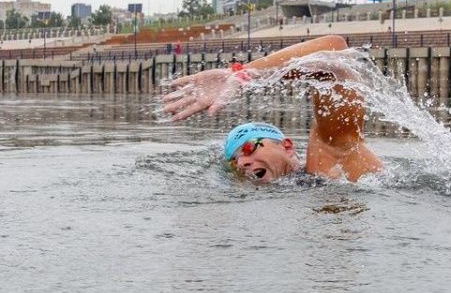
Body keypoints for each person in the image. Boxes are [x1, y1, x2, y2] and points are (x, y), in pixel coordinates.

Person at [162, 35, 382, 184]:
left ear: (287, 146)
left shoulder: (329, 156)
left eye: (248, 148)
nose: (242, 162)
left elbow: (334, 49)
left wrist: (243, 74)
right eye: (235, 160)